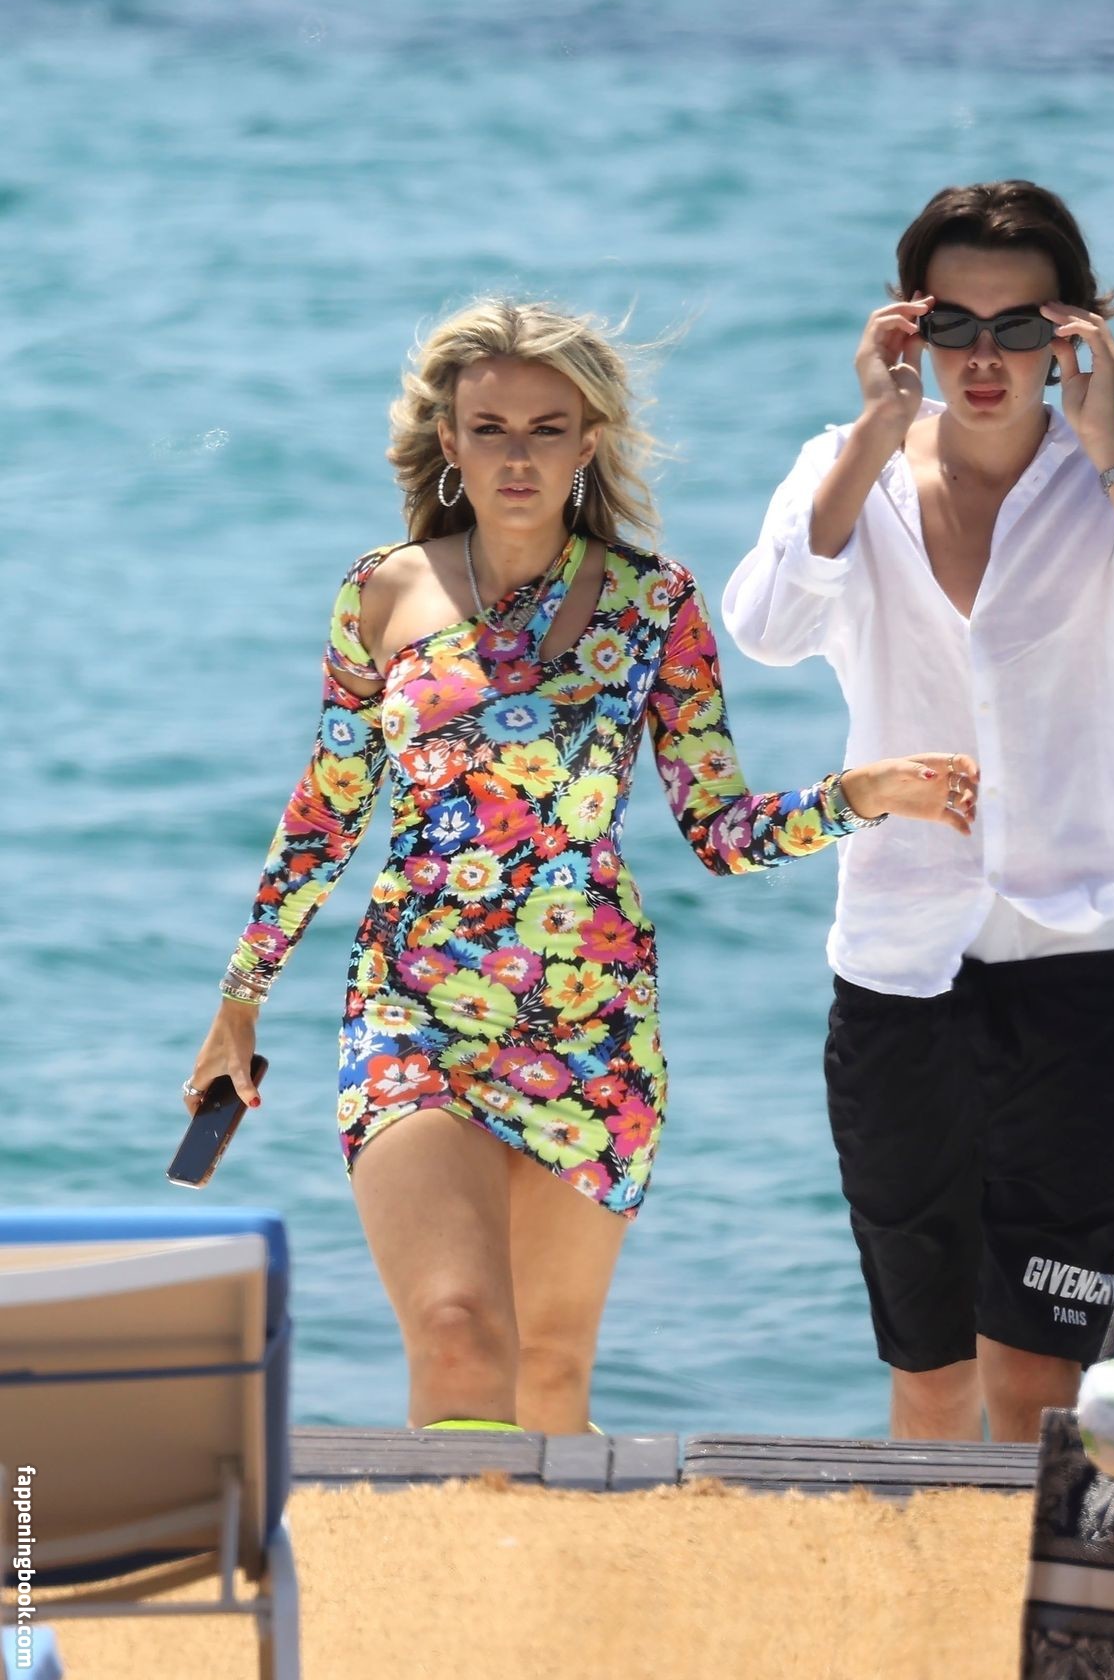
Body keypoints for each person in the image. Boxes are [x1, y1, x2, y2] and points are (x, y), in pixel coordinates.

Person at [184, 297, 978, 1437]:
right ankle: (452, 1556)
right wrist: (242, 997)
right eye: (491, 429)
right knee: (458, 1329)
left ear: (588, 442)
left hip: (590, 1026)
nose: (517, 456)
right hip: (414, 1010)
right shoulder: (383, 593)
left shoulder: (656, 605)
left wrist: (857, 797)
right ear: (449, 442)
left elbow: (718, 830)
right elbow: (327, 810)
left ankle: (528, 1555)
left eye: (546, 429)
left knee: (549, 1376)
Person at [721, 181, 1114, 1444]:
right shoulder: (842, 470)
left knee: (1037, 1379)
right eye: (953, 326)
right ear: (909, 329)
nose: (985, 358)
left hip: (1071, 971)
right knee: (929, 1373)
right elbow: (765, 628)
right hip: (896, 972)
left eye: (1019, 329)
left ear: (1070, 334)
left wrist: (1108, 449)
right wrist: (870, 429)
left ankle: (1022, 1575)